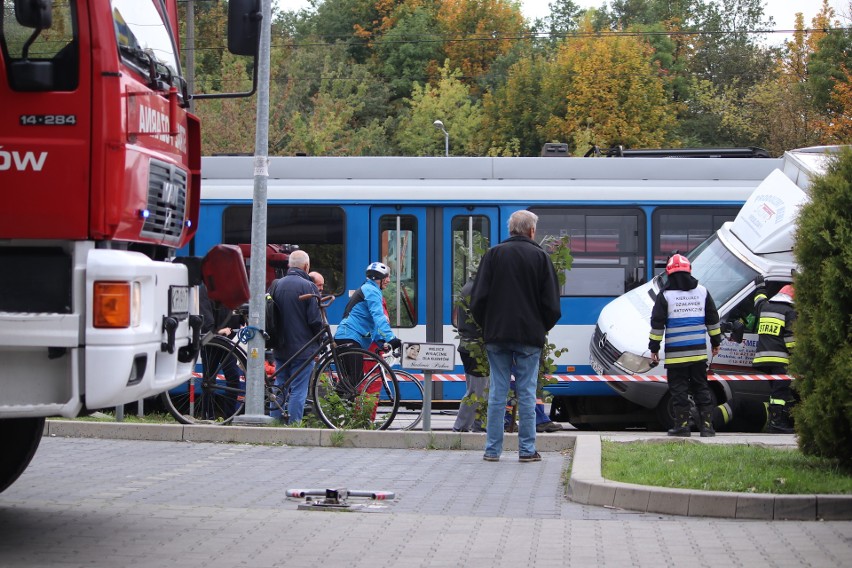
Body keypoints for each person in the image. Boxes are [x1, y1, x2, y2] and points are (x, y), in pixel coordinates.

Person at [470, 210, 561, 463]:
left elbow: (477, 299)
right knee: (527, 392)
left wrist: (488, 326)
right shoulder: (541, 257)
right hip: (529, 337)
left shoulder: (493, 255)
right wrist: (540, 327)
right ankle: (527, 450)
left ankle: (492, 450)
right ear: (532, 231)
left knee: (498, 392)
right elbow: (552, 305)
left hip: (496, 336)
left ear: (511, 229)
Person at [649, 253, 722, 437]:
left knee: (679, 390)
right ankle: (707, 427)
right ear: (689, 271)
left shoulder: (665, 296)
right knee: (701, 388)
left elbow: (657, 326)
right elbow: (713, 320)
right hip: (698, 354)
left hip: (676, 356)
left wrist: (654, 349)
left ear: (669, 273)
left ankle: (682, 426)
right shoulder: (703, 292)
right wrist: (716, 342)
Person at [270, 250, 322, 424]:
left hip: (280, 347)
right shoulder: (309, 287)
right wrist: (320, 341)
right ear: (306, 266)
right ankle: (294, 425)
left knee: (280, 384)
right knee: (299, 389)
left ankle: (275, 423)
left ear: (288, 265)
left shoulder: (276, 285)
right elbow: (315, 320)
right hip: (303, 349)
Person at [334, 262, 402, 383]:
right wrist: (391, 338)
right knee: (355, 378)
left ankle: (339, 401)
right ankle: (331, 402)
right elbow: (378, 317)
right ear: (378, 278)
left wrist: (382, 342)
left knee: (351, 383)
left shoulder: (368, 289)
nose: (389, 280)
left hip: (346, 336)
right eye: (387, 277)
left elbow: (372, 324)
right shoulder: (371, 290)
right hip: (350, 337)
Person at [752, 280, 797, 433]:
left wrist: (760, 287)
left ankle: (781, 420)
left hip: (762, 359)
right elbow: (791, 340)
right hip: (780, 360)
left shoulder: (765, 307)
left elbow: (758, 302)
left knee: (779, 391)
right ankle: (776, 424)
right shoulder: (789, 312)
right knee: (780, 392)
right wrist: (798, 358)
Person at [198, 283, 244, 419]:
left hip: (226, 341)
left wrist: (242, 320)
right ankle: (208, 416)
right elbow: (205, 314)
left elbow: (235, 309)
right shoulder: (206, 289)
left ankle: (229, 416)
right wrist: (217, 330)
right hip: (211, 340)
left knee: (233, 378)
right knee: (209, 380)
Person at [452, 277, 489, 433]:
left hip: (469, 346)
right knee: (476, 391)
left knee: (481, 389)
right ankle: (460, 427)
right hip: (475, 348)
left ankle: (479, 424)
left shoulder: (469, 286)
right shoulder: (477, 289)